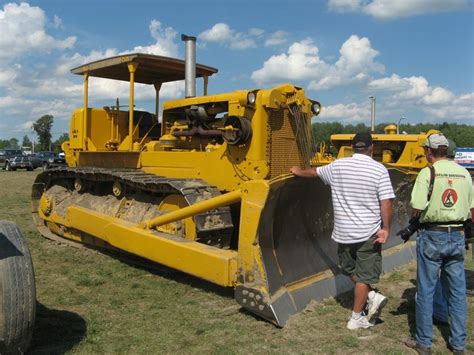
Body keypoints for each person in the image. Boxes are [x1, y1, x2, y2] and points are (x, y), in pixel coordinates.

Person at [290, 132, 394, 330]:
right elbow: (386, 202)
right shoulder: (379, 170)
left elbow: (313, 173)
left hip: (343, 232)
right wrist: (386, 228)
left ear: (353, 147)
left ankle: (366, 300)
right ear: (371, 148)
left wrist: (297, 171)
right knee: (362, 276)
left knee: (348, 269)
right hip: (368, 233)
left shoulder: (337, 166)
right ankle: (358, 317)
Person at [405, 133, 474, 355]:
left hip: (432, 235)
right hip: (457, 235)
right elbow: (471, 209)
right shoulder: (465, 174)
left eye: (426, 150)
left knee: (426, 289)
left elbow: (417, 205)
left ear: (429, 151)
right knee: (457, 291)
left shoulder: (428, 173)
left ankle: (424, 343)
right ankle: (458, 344)